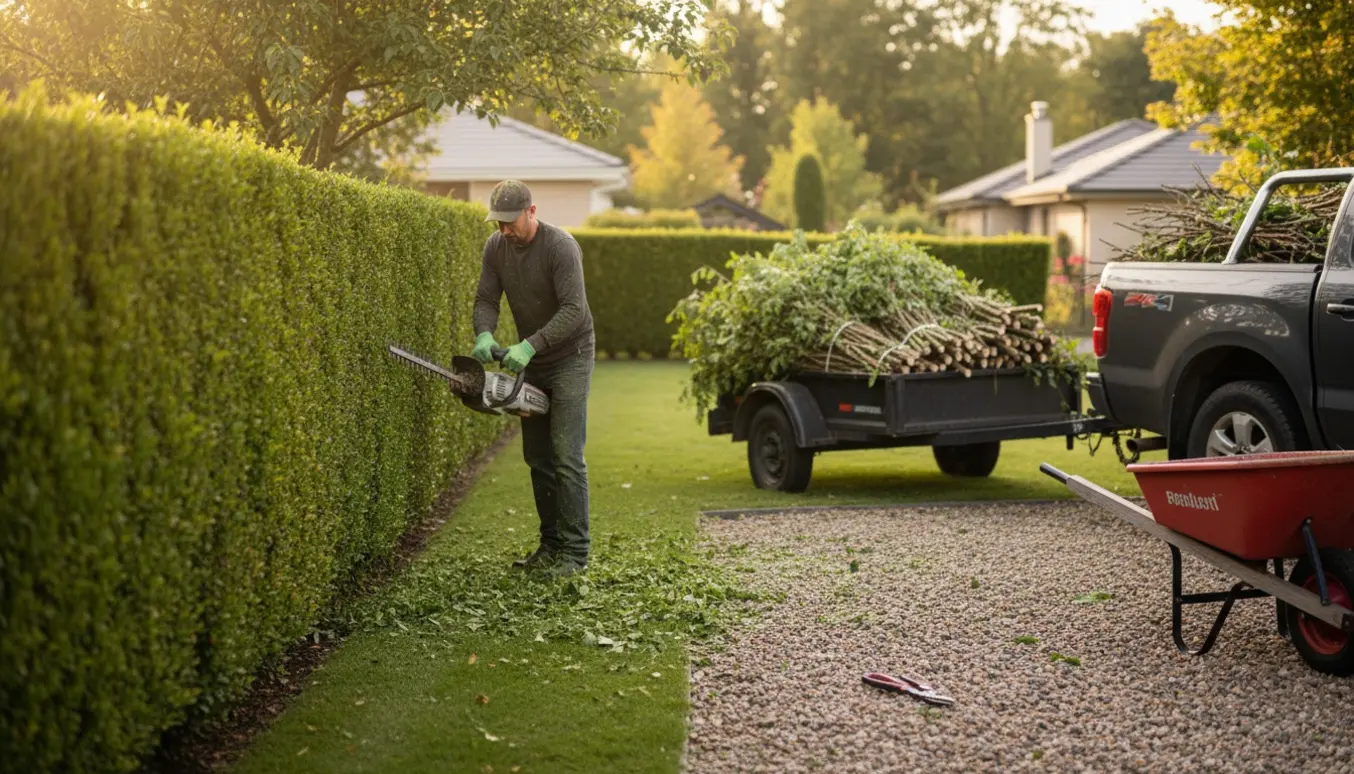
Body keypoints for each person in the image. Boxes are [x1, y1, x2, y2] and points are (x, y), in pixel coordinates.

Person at [471, 180, 595, 578]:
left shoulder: (561, 247)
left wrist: (529, 346)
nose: (504, 230)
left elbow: (575, 310)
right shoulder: (496, 247)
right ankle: (551, 545)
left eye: (510, 222)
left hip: (571, 356)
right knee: (537, 455)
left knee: (566, 454)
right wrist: (484, 333)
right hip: (535, 359)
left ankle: (575, 555)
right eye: (498, 223)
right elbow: (487, 299)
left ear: (531, 211)